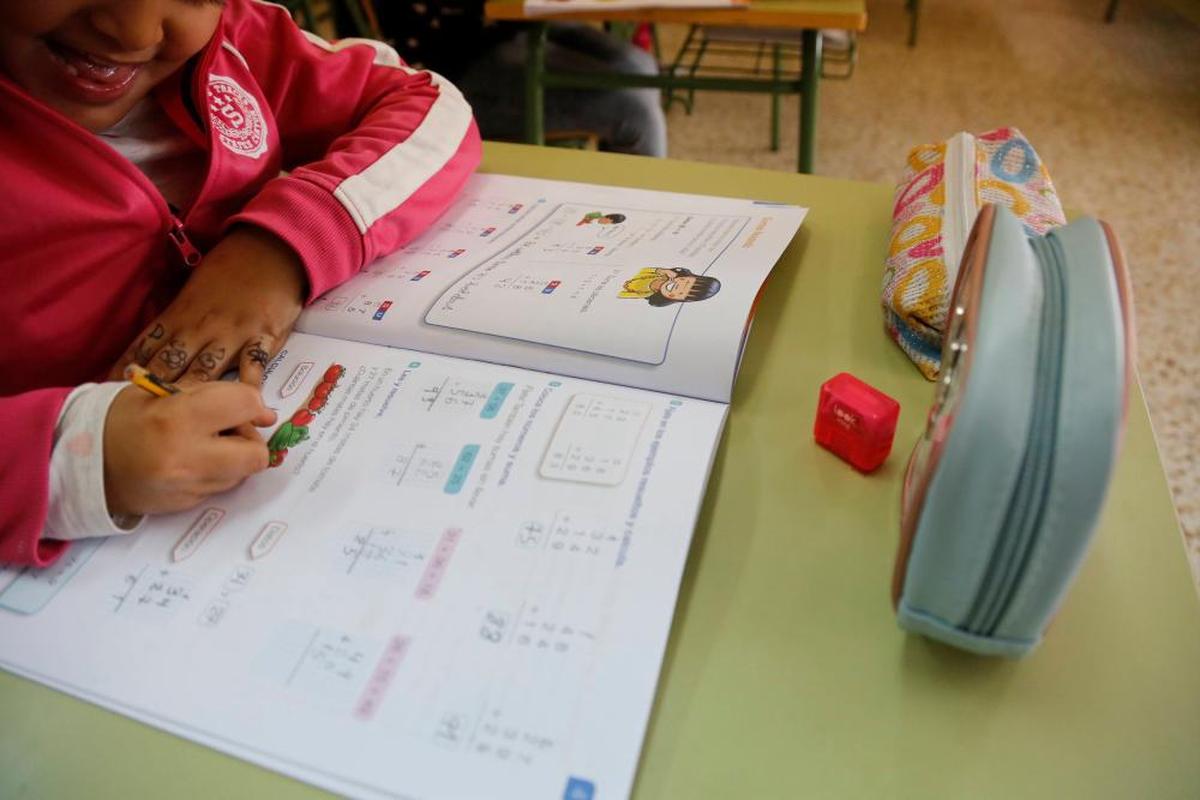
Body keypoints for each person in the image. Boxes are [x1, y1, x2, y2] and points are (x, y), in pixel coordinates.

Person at [0, 0, 481, 566]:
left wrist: (282, 246)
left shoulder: (237, 43)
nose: (132, 29)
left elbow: (430, 103)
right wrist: (77, 461)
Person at [372, 0, 668, 157]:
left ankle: (616, 196)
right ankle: (647, 231)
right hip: (445, 64)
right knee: (630, 108)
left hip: (510, 25)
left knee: (639, 66)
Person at [618, 268, 721, 306]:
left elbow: (621, 294)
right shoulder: (660, 274)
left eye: (680, 293)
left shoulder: (647, 293)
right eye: (683, 281)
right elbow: (641, 270)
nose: (677, 286)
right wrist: (662, 271)